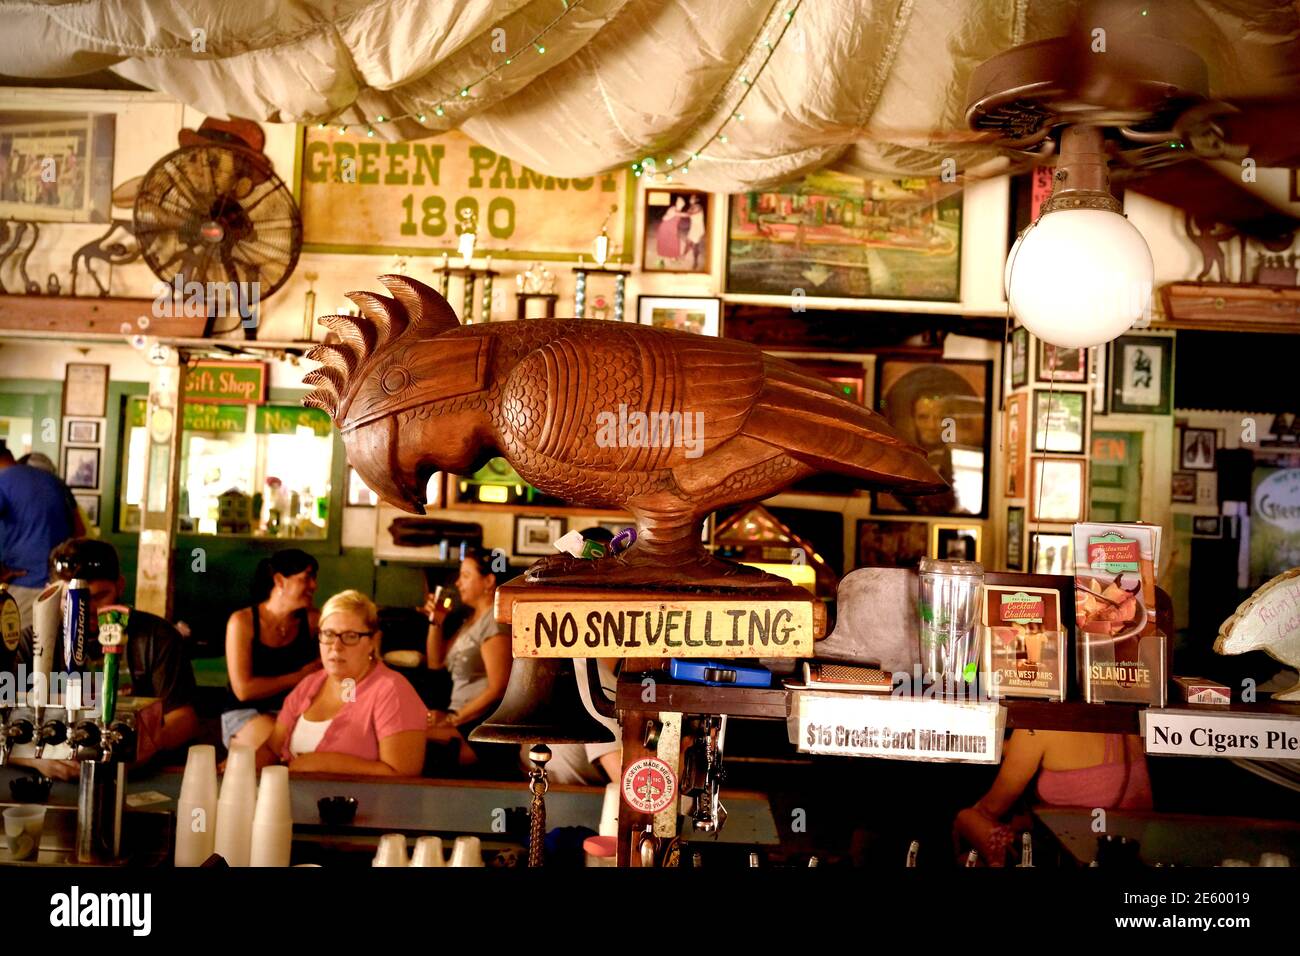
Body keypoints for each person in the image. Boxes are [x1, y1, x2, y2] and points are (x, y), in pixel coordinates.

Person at [5, 537, 200, 779]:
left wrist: (142, 748)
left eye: (98, 597)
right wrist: (33, 759)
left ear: (120, 586)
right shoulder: (31, 642)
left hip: (138, 775)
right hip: (54, 775)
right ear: (50, 593)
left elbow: (184, 718)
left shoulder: (156, 638)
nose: (86, 610)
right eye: (71, 599)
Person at [256, 589, 425, 776]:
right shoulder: (310, 684)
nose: (336, 646)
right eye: (328, 634)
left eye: (350, 636)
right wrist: (239, 767)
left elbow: (403, 775)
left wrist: (322, 763)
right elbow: (272, 748)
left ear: (373, 641)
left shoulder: (391, 690)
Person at [955, 729, 1152, 865]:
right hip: (1131, 851)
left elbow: (991, 807)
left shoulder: (1040, 722)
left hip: (1073, 855)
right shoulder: (1122, 711)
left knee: (964, 818)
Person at [221, 549, 322, 751]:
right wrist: (299, 676)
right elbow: (244, 690)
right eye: (307, 577)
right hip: (245, 713)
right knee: (284, 748)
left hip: (296, 712)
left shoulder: (312, 621)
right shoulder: (243, 622)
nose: (314, 585)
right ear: (279, 581)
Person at [423, 548, 511, 767]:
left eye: (466, 575)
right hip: (462, 719)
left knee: (412, 741)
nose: (458, 583)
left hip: (480, 729)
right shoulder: (471, 621)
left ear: (489, 581)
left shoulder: (494, 622)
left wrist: (453, 718)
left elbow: (498, 688)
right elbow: (436, 662)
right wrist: (437, 620)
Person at [0, 441, 77, 625]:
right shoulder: (55, 481)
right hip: (61, 585)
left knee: (20, 648)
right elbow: (78, 530)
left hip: (23, 586)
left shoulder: (3, 482)